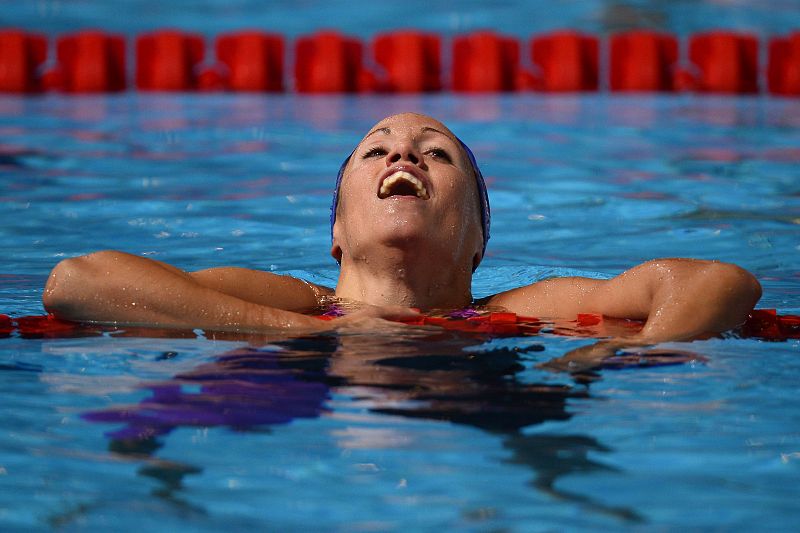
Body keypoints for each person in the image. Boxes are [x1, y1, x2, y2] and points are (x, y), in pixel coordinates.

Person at [42, 112, 762, 369]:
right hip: (298, 390)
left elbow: (715, 281)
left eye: (437, 154)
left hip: (488, 396)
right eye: (374, 150)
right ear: (337, 231)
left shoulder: (521, 306)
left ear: (480, 238)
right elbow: (78, 282)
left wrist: (626, 352)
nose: (403, 158)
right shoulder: (300, 300)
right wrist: (302, 332)